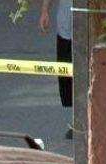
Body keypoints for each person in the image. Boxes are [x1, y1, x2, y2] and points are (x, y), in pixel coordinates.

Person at [39, 0, 73, 138]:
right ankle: (76, 121)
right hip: (66, 28)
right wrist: (44, 11)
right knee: (67, 78)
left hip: (92, 26)